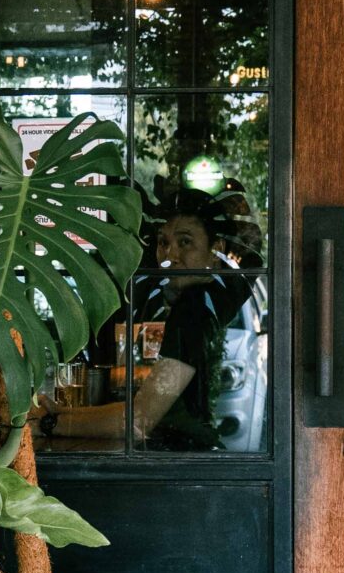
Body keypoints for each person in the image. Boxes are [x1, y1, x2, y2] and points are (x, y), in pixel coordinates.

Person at [44, 186, 258, 451]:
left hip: (181, 460)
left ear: (216, 251)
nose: (170, 257)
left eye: (185, 242)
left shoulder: (193, 311)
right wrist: (62, 415)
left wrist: (52, 423)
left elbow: (139, 419)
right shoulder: (208, 300)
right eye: (163, 243)